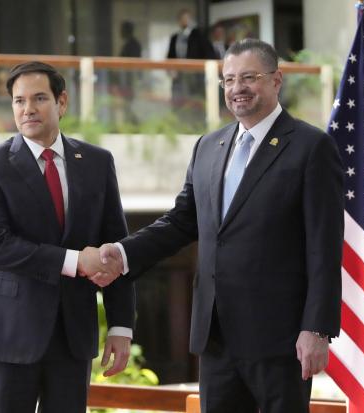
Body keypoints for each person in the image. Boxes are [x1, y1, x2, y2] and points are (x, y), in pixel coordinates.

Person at [86, 39, 344, 413]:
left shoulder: (311, 147)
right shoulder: (208, 146)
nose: (237, 88)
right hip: (216, 336)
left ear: (276, 80)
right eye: (228, 80)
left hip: (280, 338)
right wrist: (123, 253)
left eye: (249, 77)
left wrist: (317, 329)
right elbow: (180, 222)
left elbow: (324, 246)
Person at [0, 61, 135, 413]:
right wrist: (75, 261)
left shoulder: (97, 162)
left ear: (61, 102)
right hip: (8, 336)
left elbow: (116, 247)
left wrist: (121, 325)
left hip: (72, 336)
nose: (28, 109)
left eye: (39, 98)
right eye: (18, 101)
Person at [167, 9, 216, 110]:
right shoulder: (175, 37)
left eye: (187, 19)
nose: (184, 21)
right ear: (179, 21)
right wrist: (171, 70)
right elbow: (170, 57)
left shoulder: (199, 36)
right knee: (178, 103)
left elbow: (209, 54)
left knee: (194, 104)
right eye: (182, 19)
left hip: (195, 77)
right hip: (178, 77)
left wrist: (203, 72)